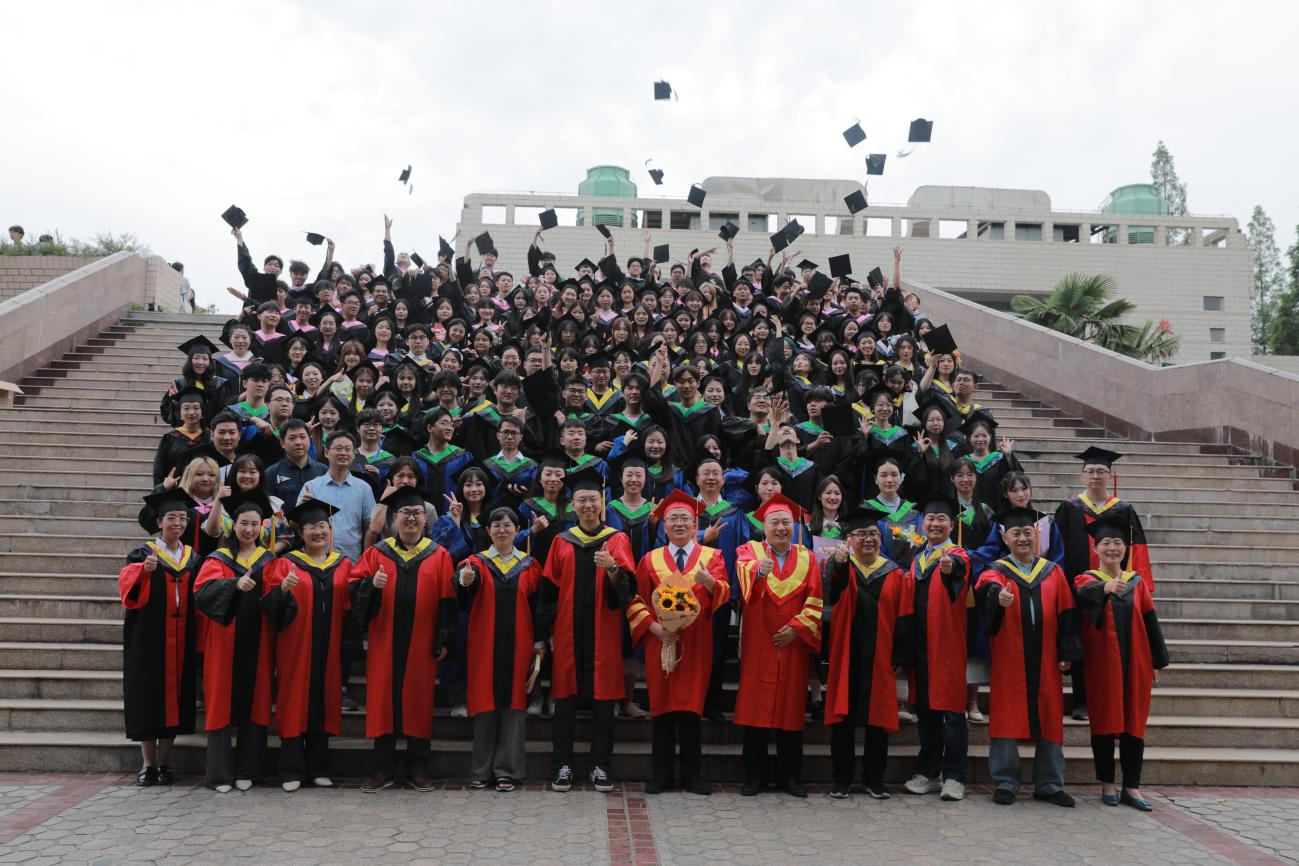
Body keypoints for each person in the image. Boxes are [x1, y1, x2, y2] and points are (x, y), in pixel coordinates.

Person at [350, 486, 457, 792]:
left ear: (425, 518)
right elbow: (353, 589)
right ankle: (382, 769)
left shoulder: (439, 555)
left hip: (422, 643)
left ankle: (418, 769)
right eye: (405, 513)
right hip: (384, 640)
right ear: (394, 518)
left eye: (417, 513)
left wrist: (444, 639)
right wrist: (371, 585)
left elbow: (447, 601)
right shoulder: (377, 553)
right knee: (383, 702)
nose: (411, 518)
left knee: (418, 702)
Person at [975, 506, 1083, 807]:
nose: (1022, 538)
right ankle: (1005, 781)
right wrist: (998, 597)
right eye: (1016, 533)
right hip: (1010, 659)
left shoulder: (1053, 571)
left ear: (1036, 534)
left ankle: (1049, 783)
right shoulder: (996, 570)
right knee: (1006, 715)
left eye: (1027, 532)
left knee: (1049, 716)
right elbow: (986, 589)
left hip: (1047, 658)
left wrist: (1067, 651)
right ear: (1004, 538)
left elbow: (1067, 612)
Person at [625, 491, 730, 795]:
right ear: (664, 526)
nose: (680, 523)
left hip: (696, 643)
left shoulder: (712, 557)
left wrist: (710, 583)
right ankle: (662, 774)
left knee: (690, 709)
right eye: (673, 519)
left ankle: (691, 775)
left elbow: (725, 593)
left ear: (695, 524)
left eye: (685, 518)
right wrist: (655, 628)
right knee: (662, 708)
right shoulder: (650, 559)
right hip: (661, 642)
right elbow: (636, 600)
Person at [542, 469, 636, 793]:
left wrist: (612, 567)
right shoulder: (561, 540)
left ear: (602, 502)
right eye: (581, 500)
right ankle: (562, 764)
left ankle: (600, 765)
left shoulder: (616, 539)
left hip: (603, 631)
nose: (587, 505)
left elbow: (627, 589)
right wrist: (546, 632)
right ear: (573, 504)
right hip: (567, 632)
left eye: (593, 499)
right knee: (565, 698)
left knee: (603, 700)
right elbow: (549, 591)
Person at [1075, 516, 1169, 811]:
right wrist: (1105, 589)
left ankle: (1132, 787)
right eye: (1106, 543)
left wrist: (1156, 661)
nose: (1112, 548)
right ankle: (1107, 784)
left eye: (1118, 543)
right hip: (1102, 665)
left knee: (1134, 724)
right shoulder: (1086, 580)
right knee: (1104, 722)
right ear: (1096, 548)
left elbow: (1150, 622)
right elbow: (1081, 597)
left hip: (1137, 663)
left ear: (1126, 548)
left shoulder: (1136, 583)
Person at [733, 494, 823, 797]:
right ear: (764, 526)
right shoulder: (750, 551)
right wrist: (760, 570)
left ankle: (790, 777)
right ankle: (754, 777)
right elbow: (744, 583)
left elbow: (815, 599)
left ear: (794, 526)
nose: (781, 528)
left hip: (792, 643)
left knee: (791, 709)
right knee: (755, 710)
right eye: (775, 522)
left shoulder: (807, 557)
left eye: (786, 522)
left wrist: (797, 629)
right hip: (760, 641)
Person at [1055, 446, 1153, 722]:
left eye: (1101, 471)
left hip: (1117, 587)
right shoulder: (1069, 507)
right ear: (1082, 476)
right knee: (1081, 642)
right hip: (1078, 588)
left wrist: (1137, 585)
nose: (1095, 476)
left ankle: (1115, 699)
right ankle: (1082, 701)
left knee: (1112, 645)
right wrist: (1058, 585)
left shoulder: (1123, 510)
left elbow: (1137, 549)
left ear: (1110, 476)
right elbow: (1057, 549)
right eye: (1090, 471)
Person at [260, 500, 352, 792]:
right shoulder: (286, 563)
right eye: (312, 526)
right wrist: (282, 591)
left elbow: (352, 607)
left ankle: (318, 767)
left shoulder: (343, 564)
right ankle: (291, 770)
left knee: (324, 701)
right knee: (294, 701)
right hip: (295, 647)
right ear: (301, 532)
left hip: (330, 647)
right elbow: (271, 607)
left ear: (330, 529)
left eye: (323, 526)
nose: (318, 531)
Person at [822, 504, 912, 800]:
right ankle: (841, 779)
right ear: (849, 539)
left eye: (873, 533)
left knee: (878, 719)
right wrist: (838, 564)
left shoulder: (894, 573)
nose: (869, 539)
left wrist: (900, 653)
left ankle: (874, 779)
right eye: (861, 534)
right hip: (847, 652)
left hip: (880, 653)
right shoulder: (841, 567)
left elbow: (904, 615)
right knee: (843, 717)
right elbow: (831, 593)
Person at [455, 507, 548, 792]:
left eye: (508, 525)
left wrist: (539, 642)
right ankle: (481, 770)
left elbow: (539, 607)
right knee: (485, 701)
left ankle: (507, 770)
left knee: (514, 703)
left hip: (520, 643)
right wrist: (464, 582)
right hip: (485, 643)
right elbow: (463, 592)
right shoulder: (476, 563)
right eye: (496, 525)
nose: (502, 530)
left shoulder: (530, 565)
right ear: (488, 531)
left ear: (517, 530)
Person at [193, 489, 278, 793]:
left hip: (258, 644)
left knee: (255, 703)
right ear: (233, 525)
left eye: (255, 524)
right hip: (224, 644)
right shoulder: (218, 559)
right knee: (221, 705)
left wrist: (285, 591)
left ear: (262, 527)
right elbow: (202, 592)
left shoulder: (269, 560)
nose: (249, 529)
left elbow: (277, 600)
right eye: (244, 523)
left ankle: (248, 771)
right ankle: (219, 775)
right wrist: (233, 584)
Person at [118, 488, 202, 787]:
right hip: (149, 637)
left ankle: (165, 763)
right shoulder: (142, 554)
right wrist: (144, 571)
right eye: (171, 518)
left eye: (183, 518)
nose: (178, 523)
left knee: (176, 699)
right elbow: (127, 593)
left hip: (182, 638)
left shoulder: (193, 558)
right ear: (159, 522)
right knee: (147, 697)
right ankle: (148, 764)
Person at [900, 494, 972, 801]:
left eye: (942, 519)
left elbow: (960, 569)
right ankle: (929, 772)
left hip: (947, 646)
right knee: (926, 710)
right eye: (930, 519)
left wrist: (950, 566)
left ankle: (954, 776)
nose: (935, 524)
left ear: (952, 525)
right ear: (923, 524)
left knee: (952, 711)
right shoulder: (917, 560)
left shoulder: (958, 555)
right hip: (920, 646)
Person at [298, 431, 376, 563]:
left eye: (348, 449)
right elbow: (295, 525)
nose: (343, 453)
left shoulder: (364, 488)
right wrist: (302, 508)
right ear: (326, 452)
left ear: (354, 454)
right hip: (316, 563)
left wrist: (365, 560)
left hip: (352, 562)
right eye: (338, 448)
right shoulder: (311, 487)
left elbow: (369, 527)